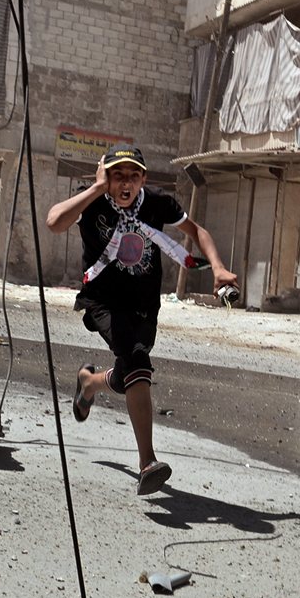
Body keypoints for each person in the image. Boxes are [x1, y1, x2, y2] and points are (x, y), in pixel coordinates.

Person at [46, 146, 238, 495]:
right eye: (118, 174)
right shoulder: (92, 200)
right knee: (137, 361)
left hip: (144, 305)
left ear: (143, 179)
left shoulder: (157, 203)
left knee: (131, 372)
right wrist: (95, 188)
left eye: (133, 175)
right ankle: (147, 462)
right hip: (102, 301)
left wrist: (218, 267)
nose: (126, 183)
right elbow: (54, 222)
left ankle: (89, 383)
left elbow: (197, 232)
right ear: (106, 174)